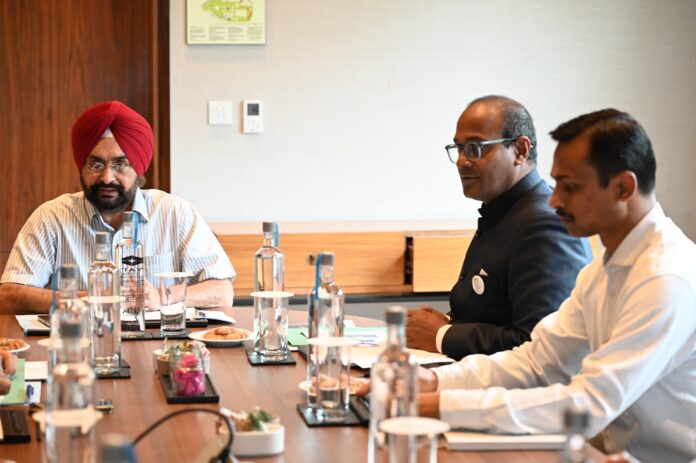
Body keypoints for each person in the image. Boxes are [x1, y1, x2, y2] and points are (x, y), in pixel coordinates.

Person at [417, 109, 696, 462]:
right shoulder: (605, 268)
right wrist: (433, 383)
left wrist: (442, 406)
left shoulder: (666, 277)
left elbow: (590, 403)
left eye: (570, 187)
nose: (554, 200)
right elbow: (538, 361)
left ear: (623, 188)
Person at [0, 101, 235, 315]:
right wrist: (84, 299)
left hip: (160, 343)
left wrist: (162, 295)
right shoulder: (51, 217)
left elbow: (223, 291)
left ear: (139, 171)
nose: (107, 177)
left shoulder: (175, 213)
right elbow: (7, 297)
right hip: (79, 343)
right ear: (81, 167)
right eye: (95, 164)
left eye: (120, 164)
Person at [406, 96, 591, 360]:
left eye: (475, 148)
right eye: (459, 148)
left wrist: (442, 335)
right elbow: (495, 313)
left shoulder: (545, 224)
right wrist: (445, 323)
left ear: (520, 150)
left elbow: (538, 344)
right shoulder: (504, 211)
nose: (462, 161)